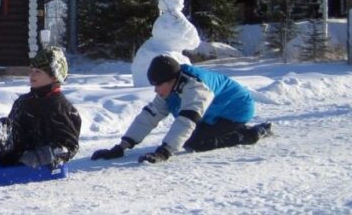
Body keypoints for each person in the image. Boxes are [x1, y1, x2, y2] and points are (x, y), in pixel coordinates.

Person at [91, 55, 272, 164]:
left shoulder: (196, 88)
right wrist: (121, 147)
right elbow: (149, 116)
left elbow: (186, 121)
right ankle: (237, 131)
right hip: (213, 111)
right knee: (192, 137)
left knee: (195, 142)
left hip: (235, 109)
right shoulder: (170, 85)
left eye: (158, 85)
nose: (156, 90)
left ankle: (250, 134)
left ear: (170, 80)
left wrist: (164, 152)